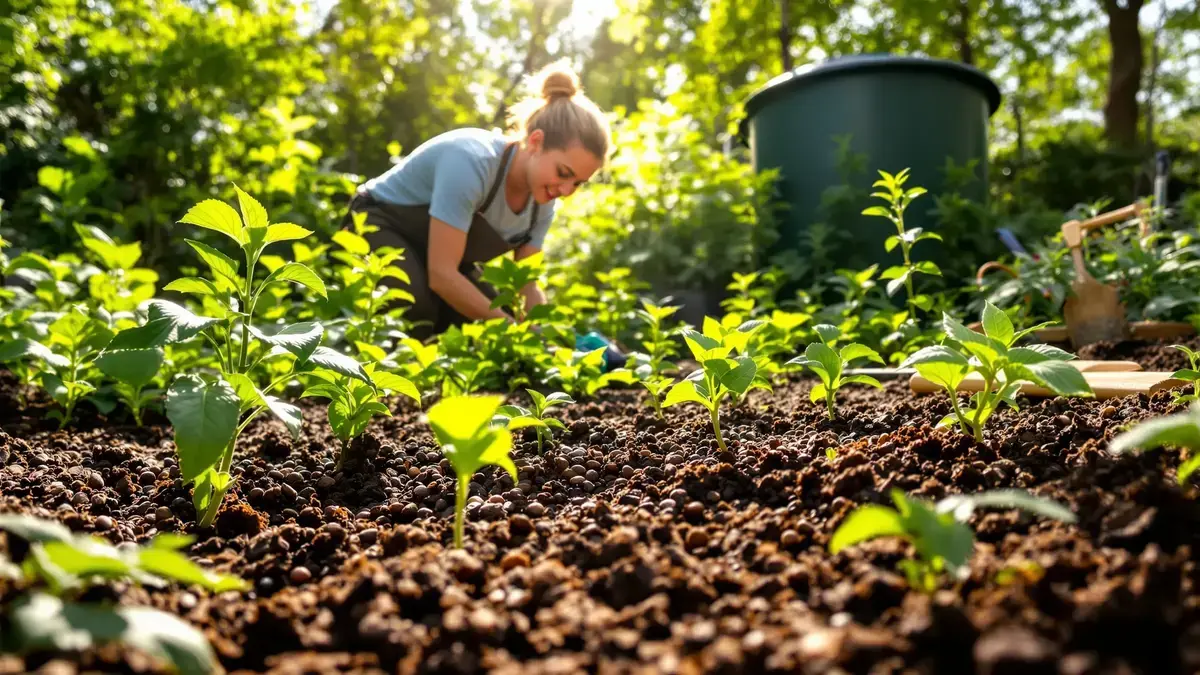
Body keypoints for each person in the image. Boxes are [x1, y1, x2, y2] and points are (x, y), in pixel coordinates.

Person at [340, 60, 611, 339]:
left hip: (441, 257)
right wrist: (512, 329)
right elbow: (442, 275)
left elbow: (526, 285)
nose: (566, 190)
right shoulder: (472, 162)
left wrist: (550, 337)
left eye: (577, 182)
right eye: (563, 173)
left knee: (489, 321)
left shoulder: (543, 203)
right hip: (377, 222)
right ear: (535, 142)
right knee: (416, 309)